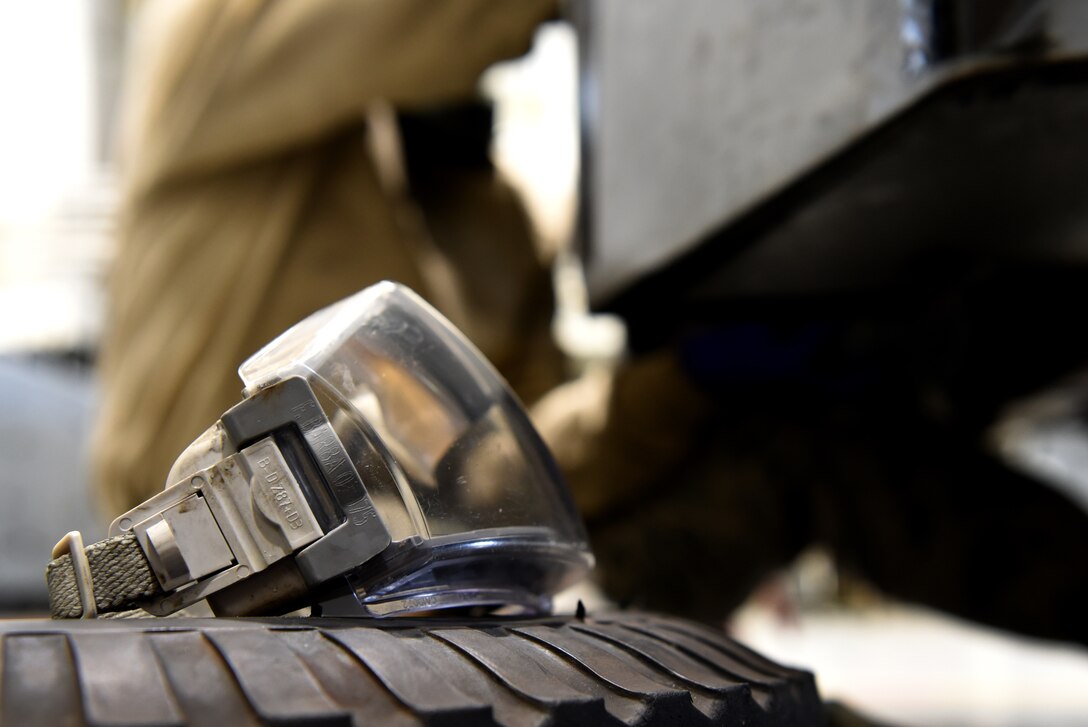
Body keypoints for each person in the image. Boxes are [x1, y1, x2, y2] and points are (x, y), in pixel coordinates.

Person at [93, 0, 563, 517]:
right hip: (204, 521)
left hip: (391, 550)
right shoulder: (219, 29)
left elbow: (513, 463)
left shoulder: (477, 197)